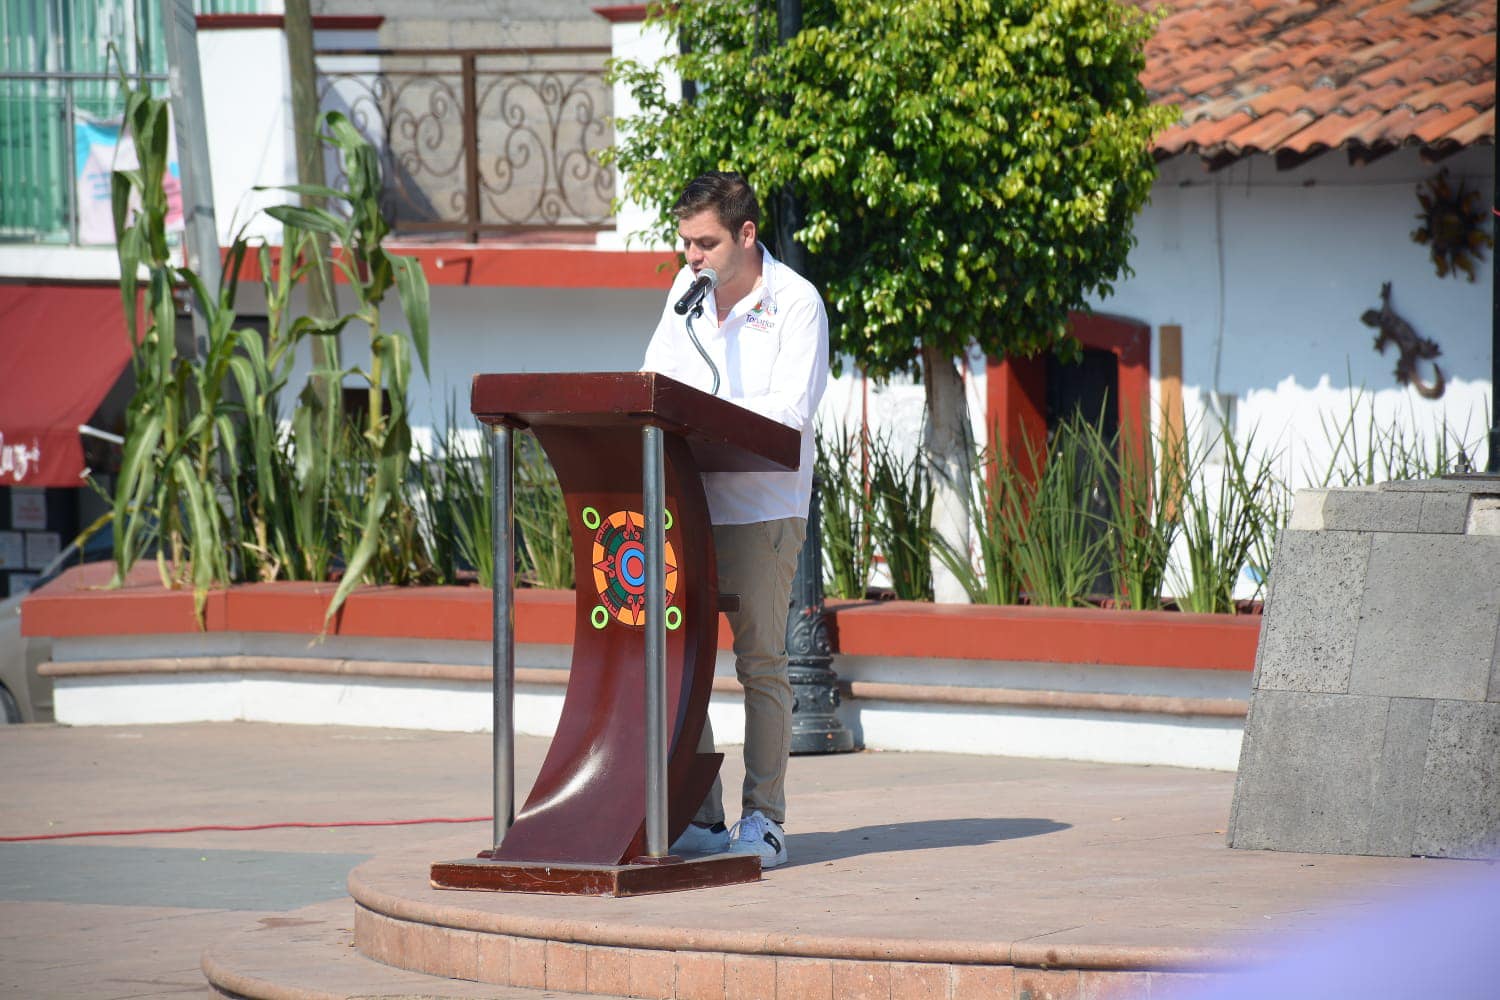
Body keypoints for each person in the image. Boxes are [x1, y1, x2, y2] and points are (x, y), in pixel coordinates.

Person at [641, 171, 829, 869]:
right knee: (678, 664)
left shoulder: (797, 305)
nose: (691, 256)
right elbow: (651, 385)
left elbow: (789, 416)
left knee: (760, 665)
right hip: (686, 505)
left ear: (746, 235)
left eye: (704, 242)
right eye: (685, 242)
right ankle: (701, 816)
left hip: (762, 509)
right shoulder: (683, 301)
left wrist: (707, 420)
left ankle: (765, 818)